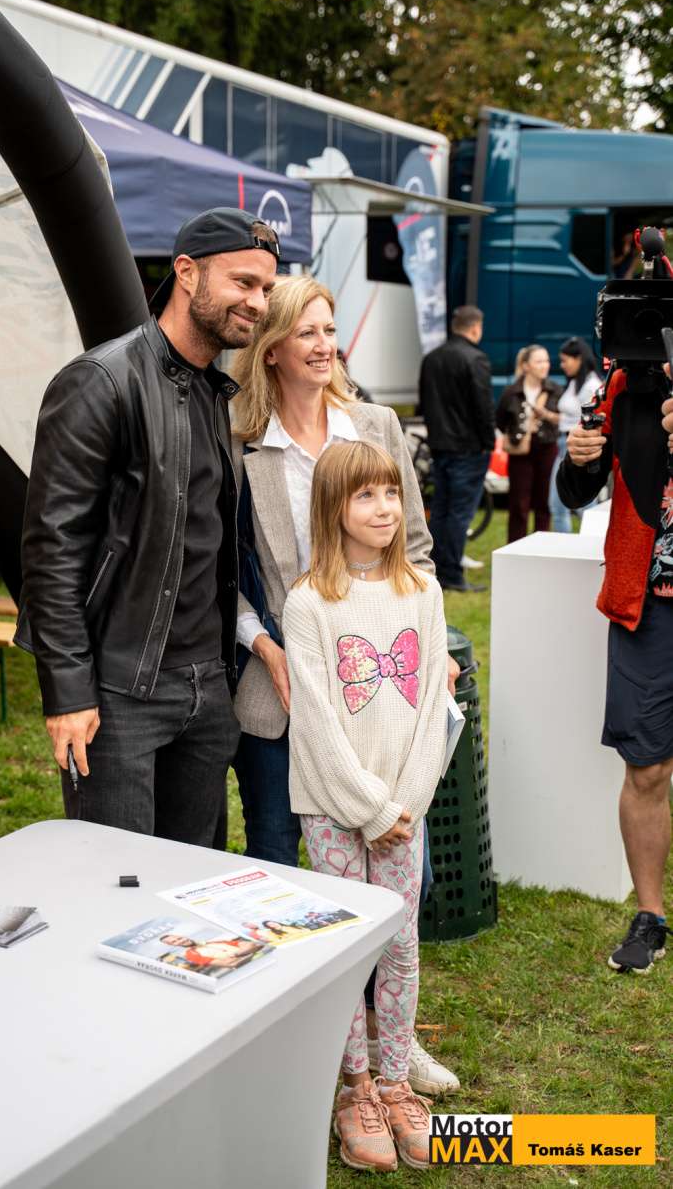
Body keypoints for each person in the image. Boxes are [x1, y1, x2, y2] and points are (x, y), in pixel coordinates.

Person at [229, 272, 459, 1099]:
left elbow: (416, 547)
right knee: (280, 862)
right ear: (271, 348)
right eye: (307, 332)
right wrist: (264, 645)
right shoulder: (238, 441)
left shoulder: (374, 425)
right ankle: (301, 1045)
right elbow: (225, 571)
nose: (325, 345)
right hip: (283, 674)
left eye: (330, 330)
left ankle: (389, 1043)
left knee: (397, 875)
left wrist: (430, 645)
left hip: (378, 682)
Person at [16, 207, 279, 847]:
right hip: (120, 692)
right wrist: (68, 692)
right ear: (186, 273)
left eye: (266, 288)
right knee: (117, 878)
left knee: (191, 882)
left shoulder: (215, 391)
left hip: (207, 688)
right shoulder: (101, 382)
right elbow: (52, 554)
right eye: (243, 282)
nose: (258, 302)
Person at [283, 440, 450, 1172]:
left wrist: (401, 805)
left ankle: (394, 1081)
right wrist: (368, 809)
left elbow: (432, 707)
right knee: (347, 943)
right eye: (365, 495)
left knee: (400, 941)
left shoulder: (423, 592)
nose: (384, 509)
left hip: (404, 811)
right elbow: (316, 720)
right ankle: (354, 1088)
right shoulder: (307, 603)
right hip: (332, 808)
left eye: (391, 493)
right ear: (332, 507)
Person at [559, 363, 672, 974]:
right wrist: (580, 460)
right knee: (647, 767)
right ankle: (650, 917)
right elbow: (576, 491)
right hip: (649, 604)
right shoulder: (628, 384)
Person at [418, 304, 496, 592]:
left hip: (440, 445)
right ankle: (450, 572)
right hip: (469, 447)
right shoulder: (475, 358)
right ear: (475, 328)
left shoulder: (432, 359)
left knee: (441, 509)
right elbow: (483, 406)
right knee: (459, 513)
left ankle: (435, 569)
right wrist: (489, 442)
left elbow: (425, 402)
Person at [496, 345, 562, 543]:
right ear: (526, 366)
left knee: (544, 502)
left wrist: (547, 416)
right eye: (539, 361)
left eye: (546, 361)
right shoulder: (511, 392)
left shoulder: (554, 390)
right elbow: (500, 421)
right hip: (520, 450)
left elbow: (565, 418)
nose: (545, 365)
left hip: (547, 448)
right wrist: (518, 432)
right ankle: (515, 548)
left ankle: (541, 548)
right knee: (518, 503)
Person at [548, 337, 603, 533]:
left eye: (565, 360)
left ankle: (588, 542)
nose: (562, 365)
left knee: (581, 506)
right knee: (560, 505)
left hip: (578, 446)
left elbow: (595, 418)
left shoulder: (591, 385)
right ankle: (571, 543)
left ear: (579, 358)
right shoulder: (576, 383)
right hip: (564, 444)